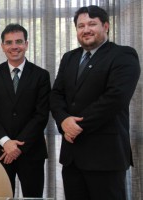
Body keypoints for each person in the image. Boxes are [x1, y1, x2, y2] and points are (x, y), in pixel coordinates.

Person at [50, 5, 141, 200]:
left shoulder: (123, 55)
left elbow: (115, 99)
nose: (86, 29)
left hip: (105, 157)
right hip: (72, 157)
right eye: (81, 25)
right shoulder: (69, 58)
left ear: (106, 26)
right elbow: (56, 94)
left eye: (92, 24)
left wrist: (76, 125)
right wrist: (64, 120)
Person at [0, 23, 50, 197]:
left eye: (19, 41)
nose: (14, 46)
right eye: (9, 42)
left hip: (31, 150)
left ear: (26, 44)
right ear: (3, 46)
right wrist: (6, 142)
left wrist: (17, 146)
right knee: (0, 196)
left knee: (33, 196)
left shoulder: (41, 75)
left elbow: (41, 115)